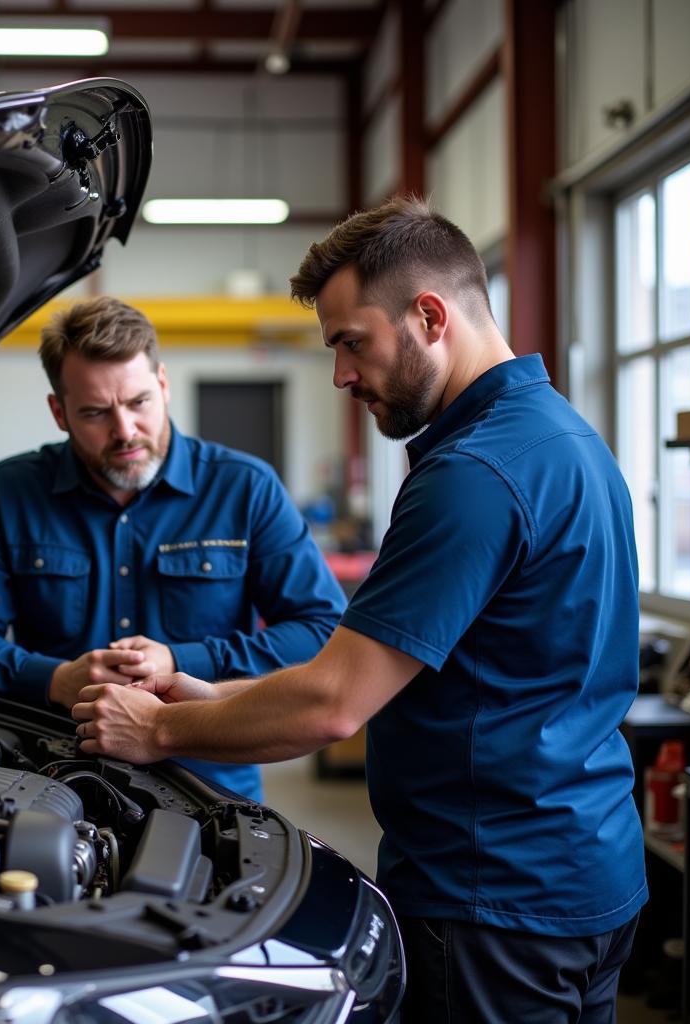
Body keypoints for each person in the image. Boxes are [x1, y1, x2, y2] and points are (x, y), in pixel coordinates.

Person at [72, 198, 648, 1022]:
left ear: (429, 315)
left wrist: (157, 731)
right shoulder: (564, 439)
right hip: (585, 869)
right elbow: (388, 669)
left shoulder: (473, 476)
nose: (342, 375)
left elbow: (334, 704)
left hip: (488, 898)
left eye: (352, 343)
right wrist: (211, 698)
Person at [0, 295, 346, 803]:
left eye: (139, 402)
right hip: (53, 781)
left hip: (211, 786)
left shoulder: (245, 488)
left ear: (164, 385)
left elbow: (323, 634)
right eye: (95, 412)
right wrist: (55, 679)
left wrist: (182, 659)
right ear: (59, 413)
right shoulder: (9, 492)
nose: (124, 431)